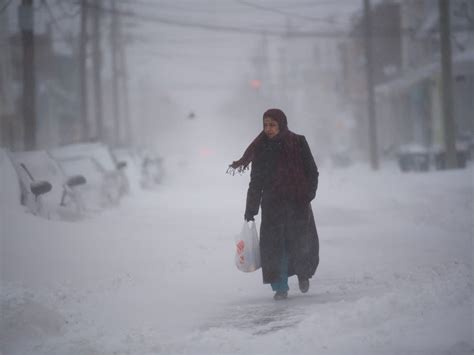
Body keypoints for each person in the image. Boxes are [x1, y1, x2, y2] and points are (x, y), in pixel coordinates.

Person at [228, 108, 319, 300]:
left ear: (281, 124)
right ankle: (280, 287)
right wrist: (250, 209)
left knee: (299, 243)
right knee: (275, 248)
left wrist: (308, 194)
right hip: (272, 206)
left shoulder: (298, 142)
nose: (268, 129)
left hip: (297, 204)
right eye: (265, 125)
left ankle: (303, 275)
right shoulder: (261, 148)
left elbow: (312, 171)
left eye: (272, 125)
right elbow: (256, 181)